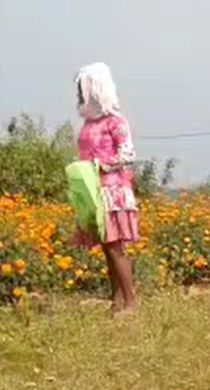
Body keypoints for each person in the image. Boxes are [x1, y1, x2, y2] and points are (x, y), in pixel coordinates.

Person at [73, 62, 140, 315]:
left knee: (115, 247)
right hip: (92, 190)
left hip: (113, 191)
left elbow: (127, 154)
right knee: (106, 247)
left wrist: (101, 164)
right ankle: (116, 301)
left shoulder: (115, 121)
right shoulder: (89, 123)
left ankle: (130, 303)